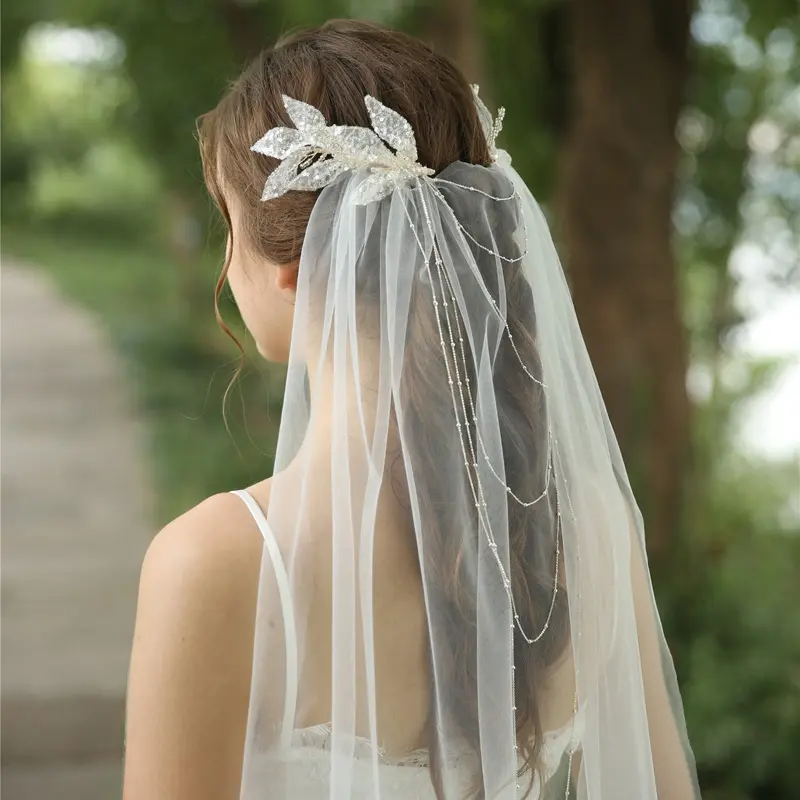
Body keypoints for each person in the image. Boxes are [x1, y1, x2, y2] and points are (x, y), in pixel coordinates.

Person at [123, 19, 700, 800]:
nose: (227, 266)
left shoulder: (215, 563)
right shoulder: (590, 526)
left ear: (295, 263)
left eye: (230, 225)